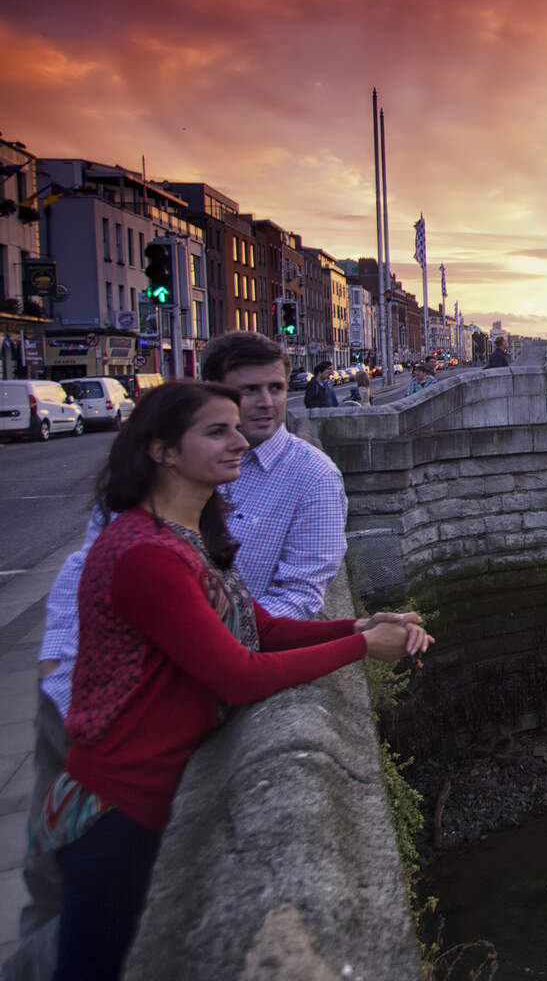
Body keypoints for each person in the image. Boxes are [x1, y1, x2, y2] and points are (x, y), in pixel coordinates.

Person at [33, 381, 429, 980]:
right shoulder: (147, 554)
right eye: (217, 431)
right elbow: (240, 676)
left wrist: (361, 622)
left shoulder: (187, 538)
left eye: (237, 428)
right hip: (119, 805)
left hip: (152, 793)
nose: (241, 441)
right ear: (163, 451)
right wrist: (363, 647)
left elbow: (258, 627)